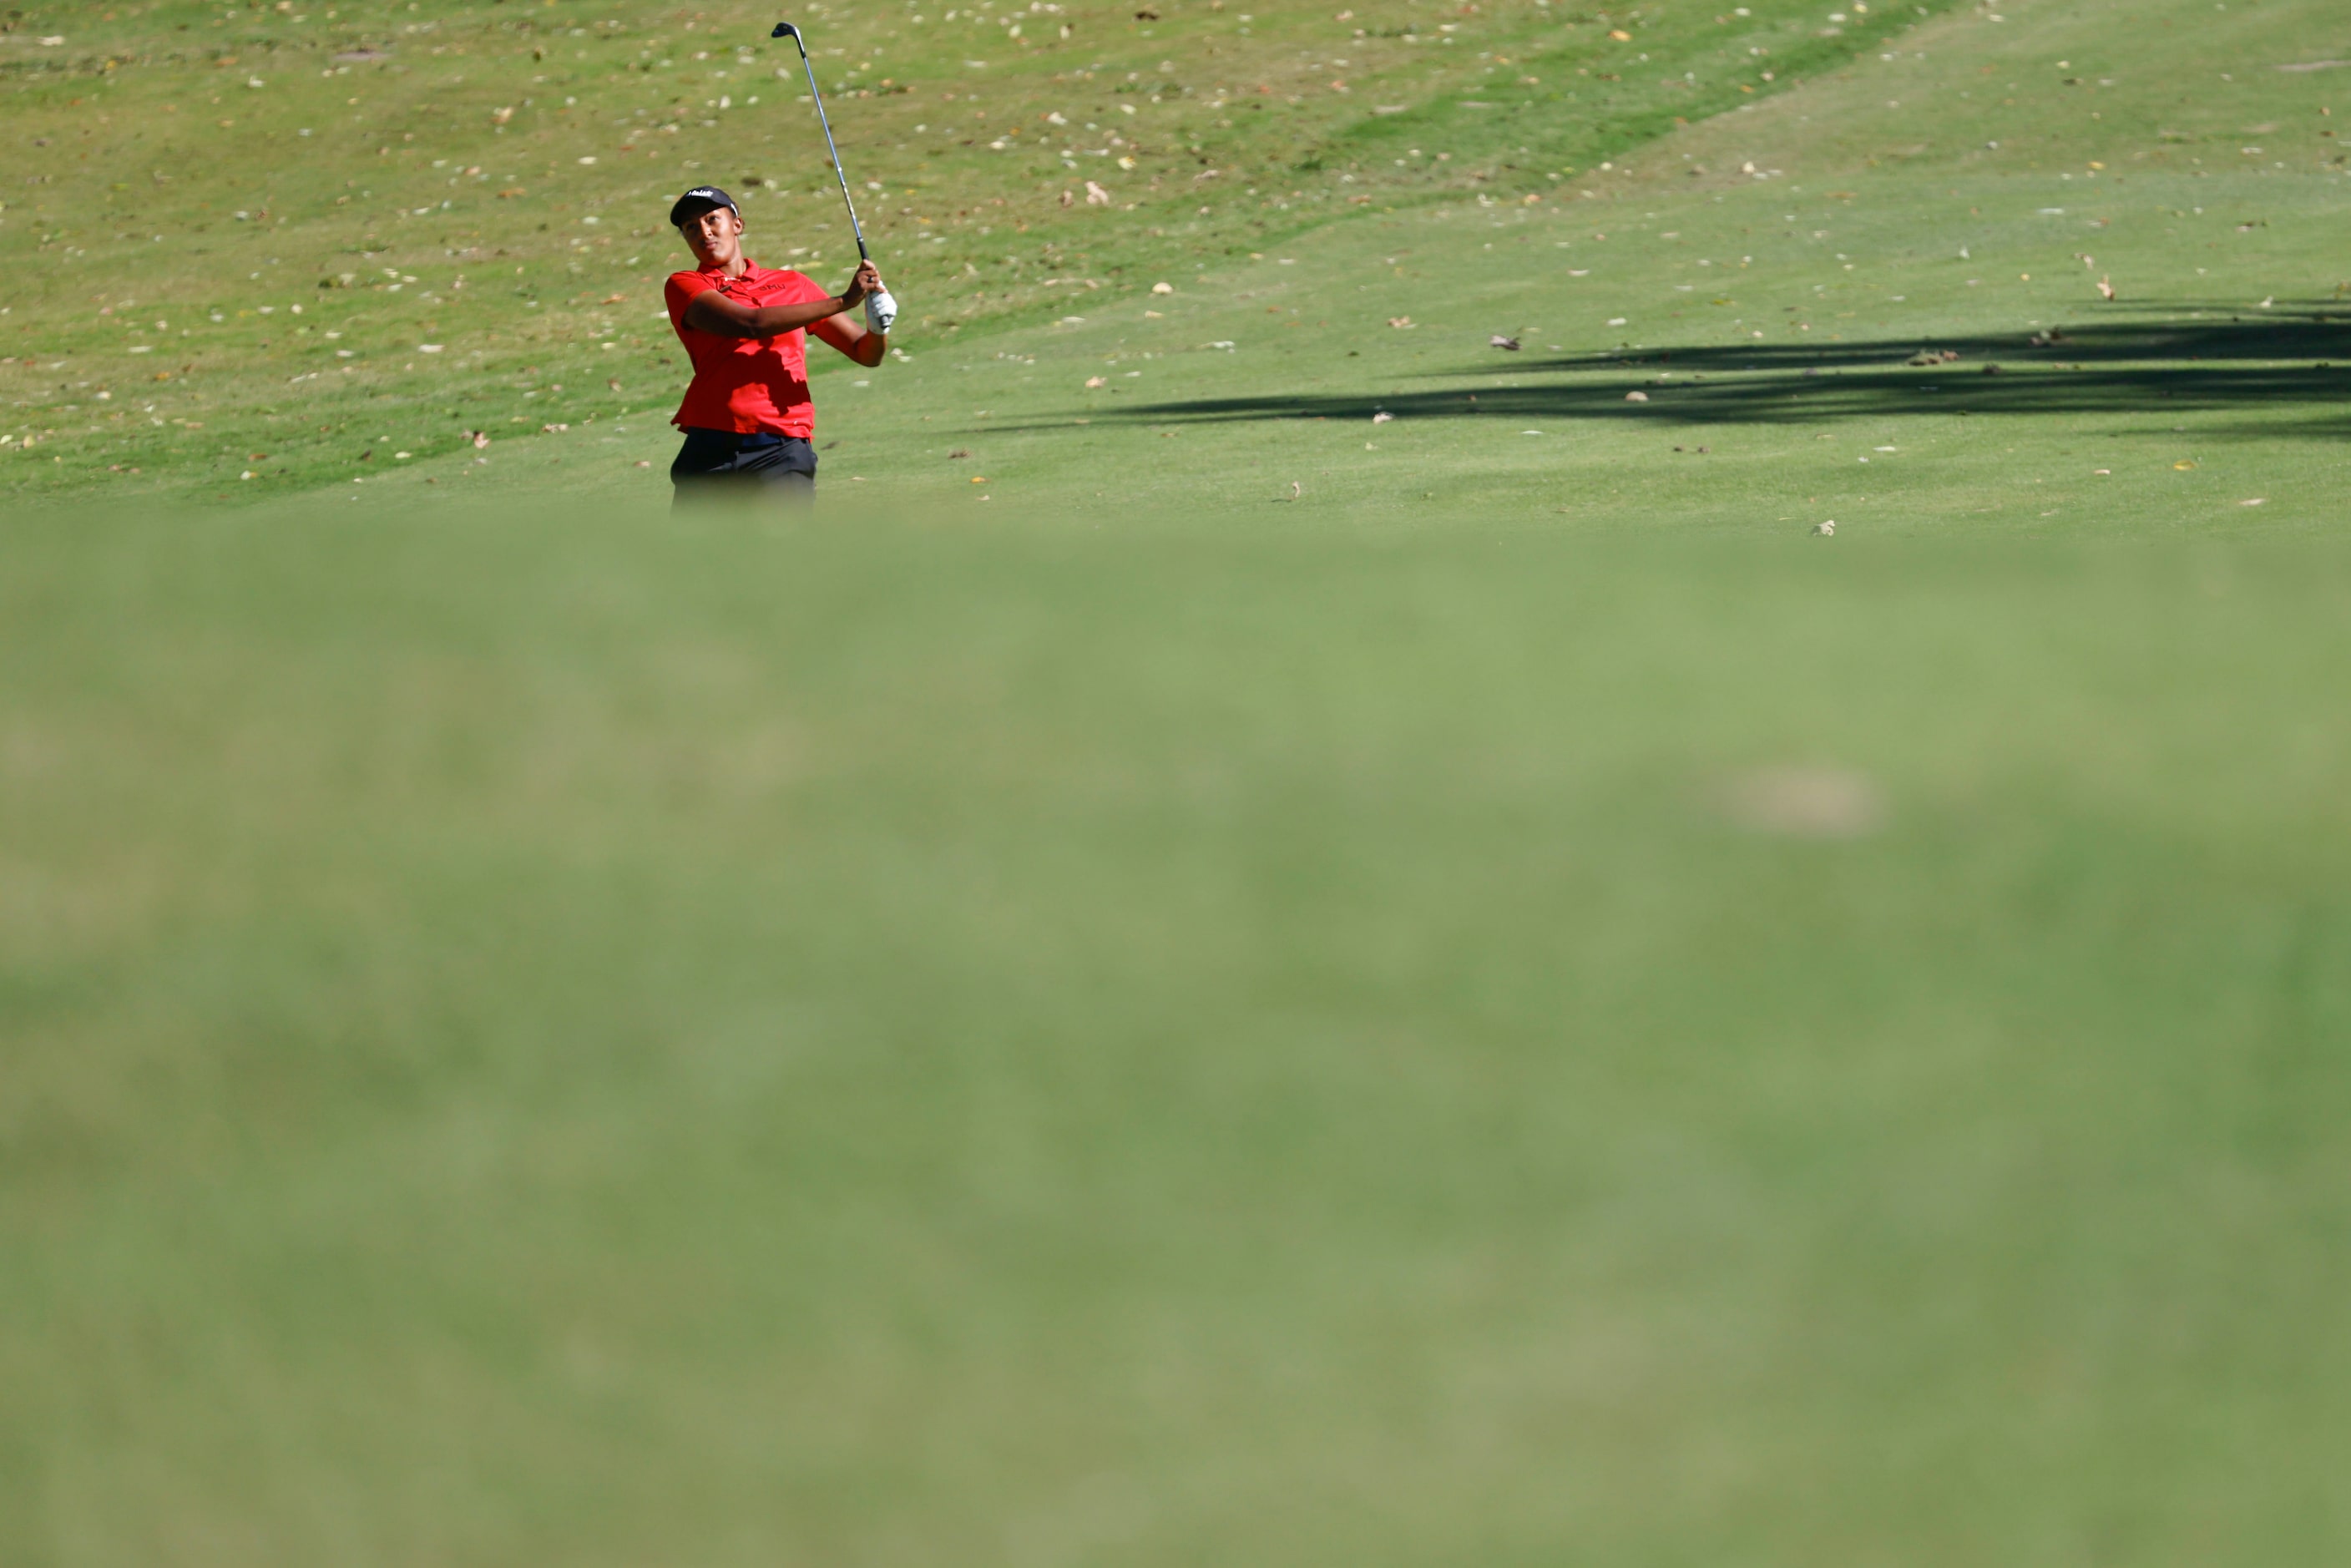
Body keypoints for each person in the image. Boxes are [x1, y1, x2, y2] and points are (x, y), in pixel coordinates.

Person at [661, 185, 887, 499]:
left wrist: (878, 326)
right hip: (709, 451)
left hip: (782, 450)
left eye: (713, 219)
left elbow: (865, 353)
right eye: (691, 227)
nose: (704, 231)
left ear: (737, 224)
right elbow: (749, 324)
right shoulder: (684, 285)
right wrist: (843, 301)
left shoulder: (793, 284)